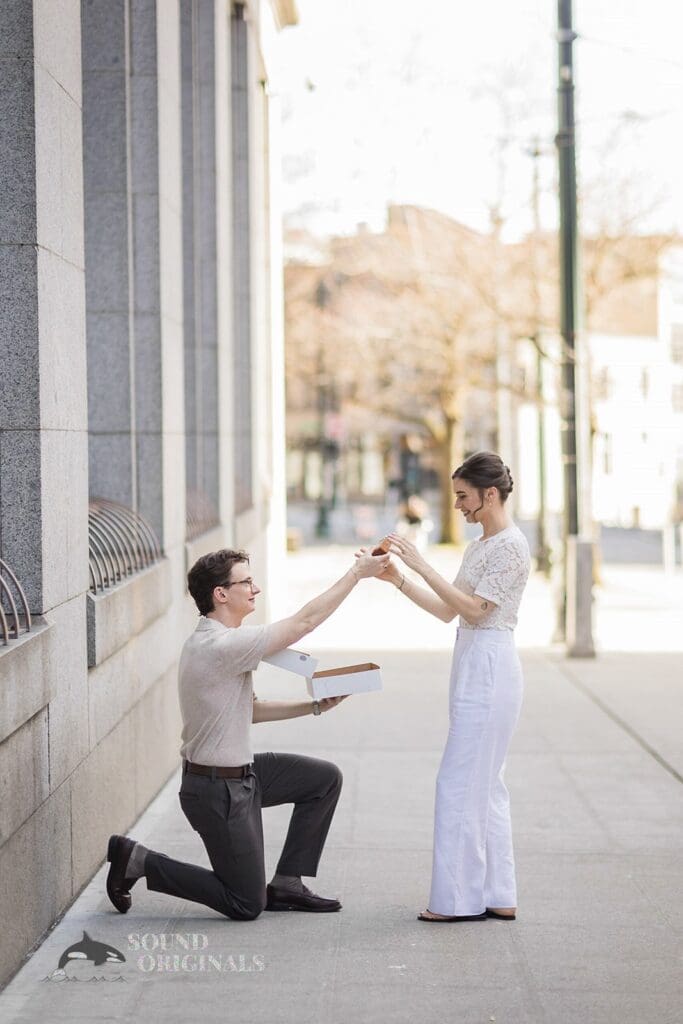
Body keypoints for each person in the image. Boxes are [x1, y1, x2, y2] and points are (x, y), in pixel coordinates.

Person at [105, 545, 390, 921]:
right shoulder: (221, 645)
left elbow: (249, 710)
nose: (255, 589)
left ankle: (288, 882)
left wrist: (315, 706)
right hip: (215, 791)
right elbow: (304, 622)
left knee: (322, 779)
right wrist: (356, 574)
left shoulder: (221, 642)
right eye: (246, 582)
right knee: (246, 903)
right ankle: (138, 860)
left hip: (243, 776)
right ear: (220, 594)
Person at [371, 451, 530, 922]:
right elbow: (449, 610)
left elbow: (479, 610)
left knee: (459, 783)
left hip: (491, 663)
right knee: (486, 784)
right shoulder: (481, 545)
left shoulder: (511, 546)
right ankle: (499, 894)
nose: (457, 504)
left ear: (490, 494)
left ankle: (458, 901)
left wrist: (420, 563)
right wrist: (399, 578)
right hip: (474, 660)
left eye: (463, 496)